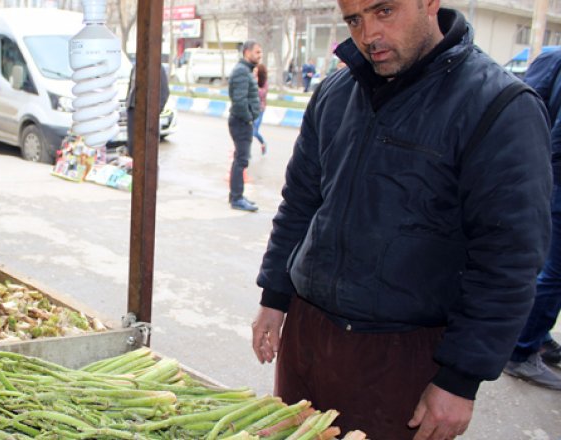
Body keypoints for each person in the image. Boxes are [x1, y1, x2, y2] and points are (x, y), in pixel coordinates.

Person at [251, 0, 551, 438]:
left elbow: (509, 260)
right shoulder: (336, 92)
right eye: (354, 19)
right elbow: (300, 203)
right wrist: (274, 296)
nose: (368, 33)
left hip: (407, 353)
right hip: (309, 335)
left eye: (384, 11)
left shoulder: (500, 106)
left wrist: (459, 379)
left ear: (430, 3)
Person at [503, 48, 561, 390]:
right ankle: (523, 350)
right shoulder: (553, 57)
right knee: (551, 270)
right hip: (554, 178)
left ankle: (536, 336)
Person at [227, 40, 262, 212]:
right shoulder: (242, 71)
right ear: (247, 52)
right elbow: (239, 101)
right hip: (241, 122)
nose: (259, 55)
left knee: (239, 159)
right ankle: (237, 198)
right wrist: (248, 117)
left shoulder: (245, 70)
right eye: (257, 52)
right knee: (241, 160)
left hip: (242, 121)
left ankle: (235, 195)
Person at [125, 64, 170, 158]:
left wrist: (154, 112)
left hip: (147, 113)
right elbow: (131, 88)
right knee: (132, 145)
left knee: (147, 147)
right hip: (132, 110)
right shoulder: (135, 66)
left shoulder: (156, 66)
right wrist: (127, 103)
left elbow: (164, 92)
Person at [253, 64, 268, 155]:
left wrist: (255, 86)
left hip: (260, 109)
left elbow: (263, 93)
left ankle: (263, 143)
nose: (254, 72)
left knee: (254, 132)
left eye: (256, 71)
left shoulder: (264, 82)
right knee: (248, 132)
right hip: (251, 109)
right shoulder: (252, 79)